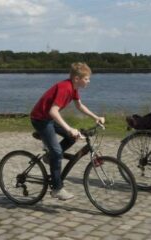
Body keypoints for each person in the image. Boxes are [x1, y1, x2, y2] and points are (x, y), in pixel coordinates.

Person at [30, 62, 105, 200]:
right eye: (87, 78)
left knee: (72, 138)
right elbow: (53, 111)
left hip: (49, 118)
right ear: (77, 79)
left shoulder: (74, 88)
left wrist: (96, 117)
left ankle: (50, 157)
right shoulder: (65, 88)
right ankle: (57, 189)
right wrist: (70, 128)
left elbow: (79, 106)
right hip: (40, 119)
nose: (89, 81)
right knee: (58, 152)